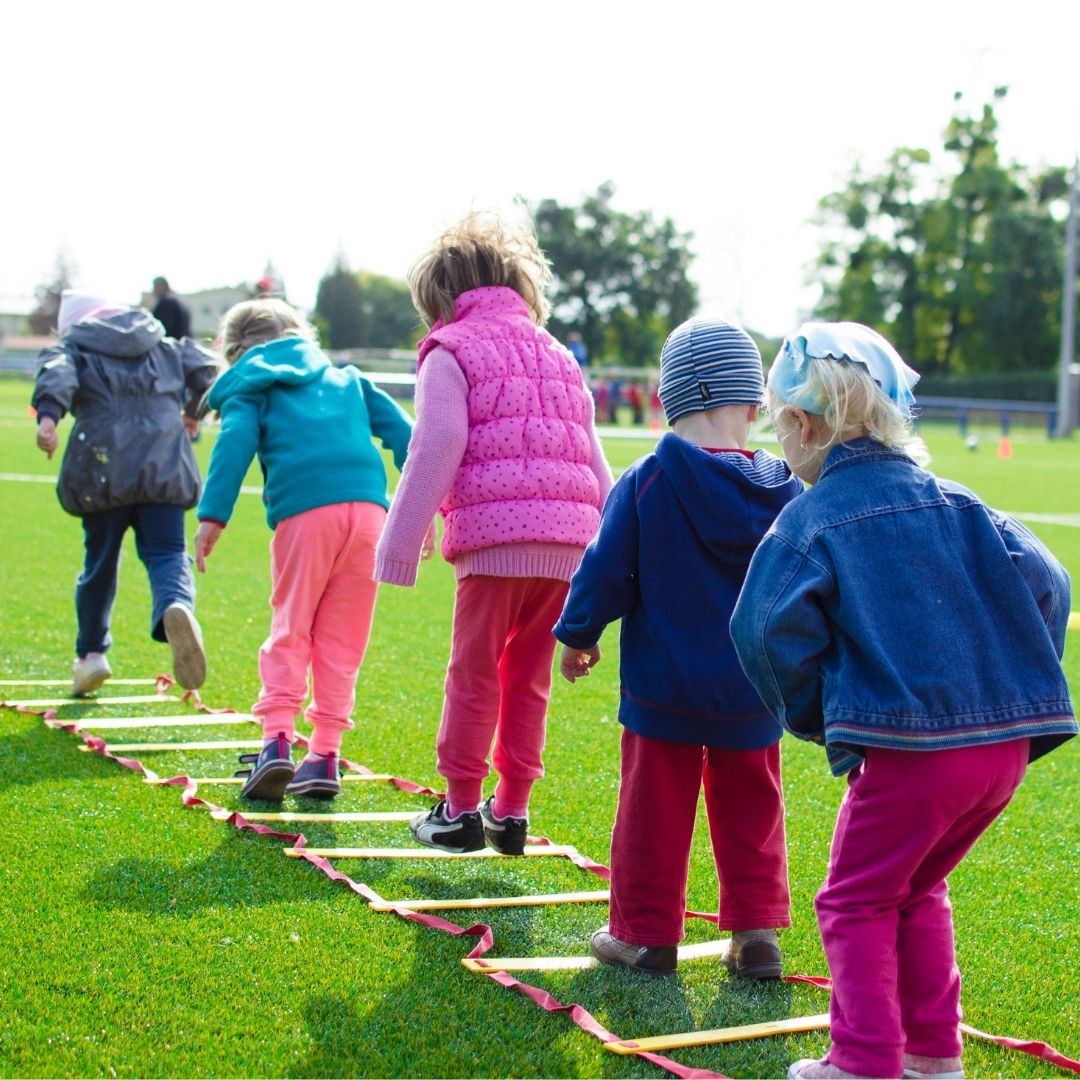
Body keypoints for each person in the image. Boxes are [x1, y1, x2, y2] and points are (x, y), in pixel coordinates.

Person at [729, 322, 1076, 1080]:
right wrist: (1013, 681)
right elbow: (1050, 581)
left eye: (780, 427)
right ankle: (932, 1057)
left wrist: (820, 717)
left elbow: (760, 628)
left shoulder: (811, 518)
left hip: (913, 758)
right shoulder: (960, 501)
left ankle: (861, 1063)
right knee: (918, 889)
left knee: (853, 902)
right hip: (1002, 754)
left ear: (804, 425)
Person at [554, 316, 804, 977]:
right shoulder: (788, 489)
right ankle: (756, 936)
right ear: (753, 403)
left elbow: (605, 568)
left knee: (652, 812)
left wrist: (578, 634)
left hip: (662, 686)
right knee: (754, 809)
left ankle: (645, 934)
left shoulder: (647, 480)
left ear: (667, 398)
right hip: (755, 688)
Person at [375, 212, 613, 853]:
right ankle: (510, 810)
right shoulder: (560, 354)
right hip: (570, 548)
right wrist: (615, 557)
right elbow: (594, 459)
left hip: (494, 542)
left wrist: (401, 539)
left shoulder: (450, 350)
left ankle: (457, 811)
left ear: (440, 298)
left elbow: (439, 441)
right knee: (528, 677)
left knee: (473, 672)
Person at [193, 299, 414, 801]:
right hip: (369, 517)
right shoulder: (349, 379)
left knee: (291, 626)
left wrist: (213, 515)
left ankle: (275, 743)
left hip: (306, 514)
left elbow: (235, 442)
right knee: (344, 638)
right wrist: (425, 506)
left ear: (234, 351)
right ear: (301, 335)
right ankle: (325, 756)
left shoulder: (253, 386)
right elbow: (409, 437)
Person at [32, 290, 217, 697]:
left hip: (102, 468)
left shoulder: (76, 347)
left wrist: (48, 417)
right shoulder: (162, 343)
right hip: (165, 464)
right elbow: (206, 370)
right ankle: (176, 605)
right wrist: (192, 412)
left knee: (99, 563)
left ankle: (92, 654)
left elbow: (57, 373)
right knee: (168, 552)